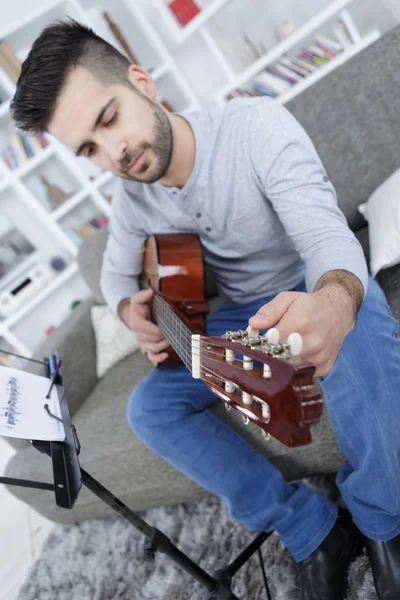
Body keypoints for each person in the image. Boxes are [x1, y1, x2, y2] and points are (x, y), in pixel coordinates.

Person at [11, 19, 400, 600]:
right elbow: (116, 276)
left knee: (357, 315)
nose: (113, 152)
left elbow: (327, 239)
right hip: (238, 311)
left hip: (304, 278)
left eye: (109, 118)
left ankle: (381, 522)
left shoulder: (255, 126)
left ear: (142, 82)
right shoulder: (133, 200)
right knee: (150, 410)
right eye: (88, 148)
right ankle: (310, 529)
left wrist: (335, 300)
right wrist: (128, 311)